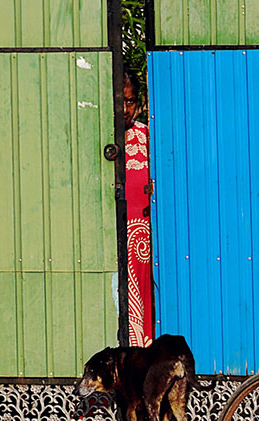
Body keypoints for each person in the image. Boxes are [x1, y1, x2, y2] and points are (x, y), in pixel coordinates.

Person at [119, 71, 155, 347]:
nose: (124, 109)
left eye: (130, 102)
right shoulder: (95, 139)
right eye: (120, 100)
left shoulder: (146, 137)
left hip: (143, 244)